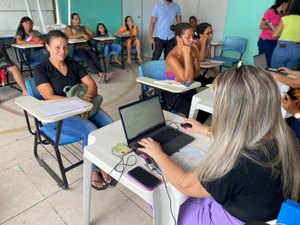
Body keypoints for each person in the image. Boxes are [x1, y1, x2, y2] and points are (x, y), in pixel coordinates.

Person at [138, 65, 300, 224]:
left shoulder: (236, 163)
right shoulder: (285, 138)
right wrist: (206, 130)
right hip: (261, 210)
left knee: (161, 200)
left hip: (234, 219)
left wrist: (158, 154)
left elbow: (184, 184)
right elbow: (247, 135)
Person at [34, 30, 115, 191]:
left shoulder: (73, 64)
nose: (62, 52)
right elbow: (49, 96)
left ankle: (102, 161)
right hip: (59, 115)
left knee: (109, 124)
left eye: (65, 47)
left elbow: (92, 85)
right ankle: (92, 170)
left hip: (84, 105)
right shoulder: (41, 69)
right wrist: (79, 104)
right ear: (47, 47)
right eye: (57, 47)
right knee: (90, 130)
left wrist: (87, 99)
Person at [164, 23, 200, 117]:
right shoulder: (172, 57)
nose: (192, 40)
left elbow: (198, 72)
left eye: (193, 36)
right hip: (173, 93)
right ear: (178, 39)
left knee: (202, 109)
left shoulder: (193, 50)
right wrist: (186, 54)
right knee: (194, 112)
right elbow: (188, 80)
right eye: (188, 37)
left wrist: (188, 76)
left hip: (189, 89)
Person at [65, 13, 106, 83]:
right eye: (76, 19)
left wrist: (87, 35)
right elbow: (70, 36)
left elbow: (93, 35)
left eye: (79, 19)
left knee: (96, 57)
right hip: (78, 48)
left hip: (87, 46)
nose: (78, 20)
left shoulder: (83, 27)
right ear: (72, 20)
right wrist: (82, 34)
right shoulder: (69, 27)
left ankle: (100, 74)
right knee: (87, 59)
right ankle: (100, 73)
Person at [258, 0, 289, 68]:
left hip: (275, 41)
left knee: (270, 61)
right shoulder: (270, 12)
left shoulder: (283, 15)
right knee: (261, 62)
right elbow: (261, 26)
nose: (288, 7)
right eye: (287, 4)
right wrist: (275, 27)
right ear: (284, 4)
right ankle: (258, 77)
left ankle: (267, 77)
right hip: (265, 40)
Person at [271, 0, 300, 69]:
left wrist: (276, 32)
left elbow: (274, 35)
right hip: (297, 50)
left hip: (283, 47)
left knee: (276, 72)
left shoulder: (285, 18)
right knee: (289, 74)